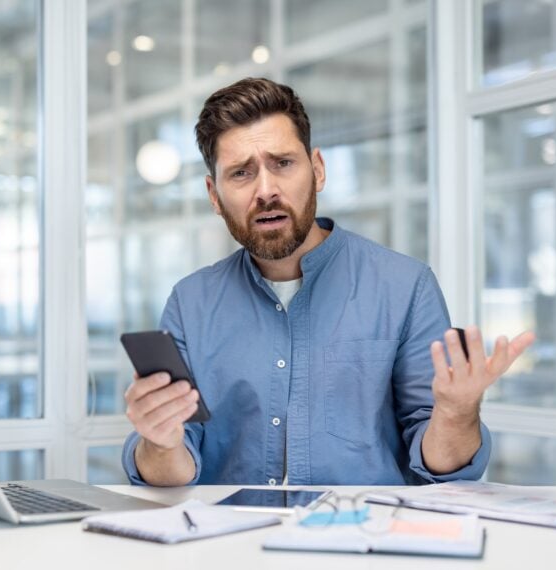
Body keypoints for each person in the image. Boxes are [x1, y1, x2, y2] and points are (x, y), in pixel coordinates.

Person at [121, 77, 534, 487]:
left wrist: (457, 412)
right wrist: (159, 442)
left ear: (317, 169)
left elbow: (443, 466)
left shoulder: (406, 287)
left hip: (362, 543)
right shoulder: (190, 303)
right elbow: (173, 472)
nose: (266, 190)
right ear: (214, 195)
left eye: (282, 163)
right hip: (227, 545)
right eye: (242, 173)